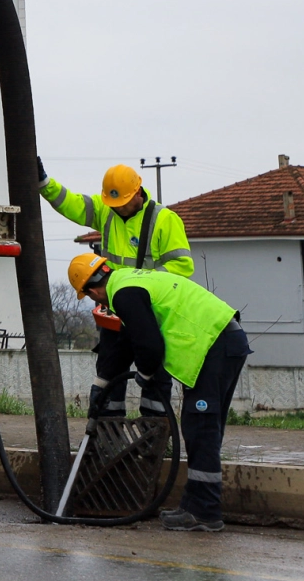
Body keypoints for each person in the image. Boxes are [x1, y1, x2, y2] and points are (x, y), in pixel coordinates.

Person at [68, 253, 251, 532]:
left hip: (215, 343)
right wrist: (103, 385)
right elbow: (128, 344)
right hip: (222, 339)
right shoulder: (129, 281)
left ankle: (205, 512)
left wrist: (144, 374)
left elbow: (149, 346)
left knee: (201, 428)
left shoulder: (124, 294)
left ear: (92, 292)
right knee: (201, 427)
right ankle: (195, 506)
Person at [39, 159, 192, 418]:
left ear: (138, 193)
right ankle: (107, 431)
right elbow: (72, 204)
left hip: (151, 314)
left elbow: (181, 267)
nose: (118, 208)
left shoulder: (165, 220)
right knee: (109, 373)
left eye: (123, 202)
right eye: (114, 203)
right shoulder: (107, 210)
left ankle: (154, 431)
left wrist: (141, 285)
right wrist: (45, 183)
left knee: (154, 375)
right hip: (115, 313)